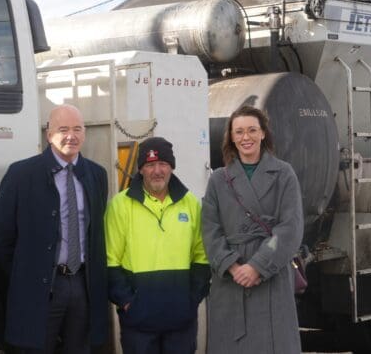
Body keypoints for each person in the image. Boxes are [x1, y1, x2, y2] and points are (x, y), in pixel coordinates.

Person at [0, 104, 109, 353]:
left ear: (85, 133)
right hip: (41, 288)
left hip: (82, 285)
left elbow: (94, 232)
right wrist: (28, 275)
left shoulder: (97, 175)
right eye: (63, 129)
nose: (71, 136)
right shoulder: (21, 175)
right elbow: (1, 238)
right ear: (48, 134)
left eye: (77, 129)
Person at [201, 105, 303, 354]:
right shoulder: (218, 180)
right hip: (230, 280)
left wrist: (257, 266)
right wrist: (234, 267)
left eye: (251, 130)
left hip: (271, 273)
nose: (245, 137)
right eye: (239, 132)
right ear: (231, 137)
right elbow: (210, 230)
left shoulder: (284, 174)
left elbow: (290, 228)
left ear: (263, 134)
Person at [105, 136, 210, 354]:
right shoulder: (120, 205)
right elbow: (110, 260)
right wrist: (127, 303)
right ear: (141, 169)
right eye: (150, 165)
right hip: (138, 323)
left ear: (171, 167)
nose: (157, 171)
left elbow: (202, 255)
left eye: (162, 164)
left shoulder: (191, 204)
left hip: (181, 321)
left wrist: (191, 300)